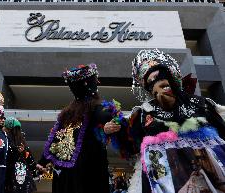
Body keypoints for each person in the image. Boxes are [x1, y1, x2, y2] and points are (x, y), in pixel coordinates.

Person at [105, 49, 225, 193]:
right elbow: (132, 146)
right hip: (166, 180)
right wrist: (114, 131)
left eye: (160, 77)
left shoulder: (199, 103)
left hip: (209, 174)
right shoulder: (144, 112)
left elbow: (222, 131)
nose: (157, 84)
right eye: (150, 83)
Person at [36, 63, 126, 193]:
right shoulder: (73, 113)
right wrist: (42, 162)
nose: (98, 83)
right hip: (83, 170)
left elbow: (54, 139)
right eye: (95, 80)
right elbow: (56, 139)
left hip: (71, 170)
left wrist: (106, 128)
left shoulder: (72, 113)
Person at [3, 117, 38, 193]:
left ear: (7, 129)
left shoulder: (5, 142)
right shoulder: (23, 144)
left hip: (9, 180)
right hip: (24, 181)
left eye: (4, 127)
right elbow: (31, 162)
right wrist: (35, 174)